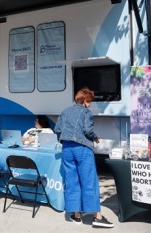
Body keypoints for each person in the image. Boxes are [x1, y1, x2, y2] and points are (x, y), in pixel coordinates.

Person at [54, 87, 114, 228]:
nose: (90, 104)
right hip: (82, 149)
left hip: (67, 149)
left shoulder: (65, 111)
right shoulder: (86, 112)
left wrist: (65, 140)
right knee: (89, 182)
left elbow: (57, 130)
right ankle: (97, 217)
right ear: (85, 100)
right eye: (90, 101)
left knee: (72, 181)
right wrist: (95, 138)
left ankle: (76, 216)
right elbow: (88, 130)